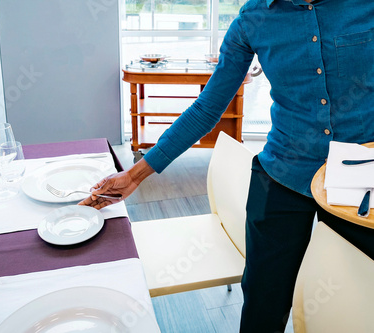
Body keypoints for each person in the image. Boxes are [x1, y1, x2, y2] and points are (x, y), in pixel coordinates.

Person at [80, 0, 374, 332]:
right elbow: (208, 108)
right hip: (282, 174)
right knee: (265, 300)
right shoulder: (253, 19)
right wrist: (135, 175)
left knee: (360, 297)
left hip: (364, 179)